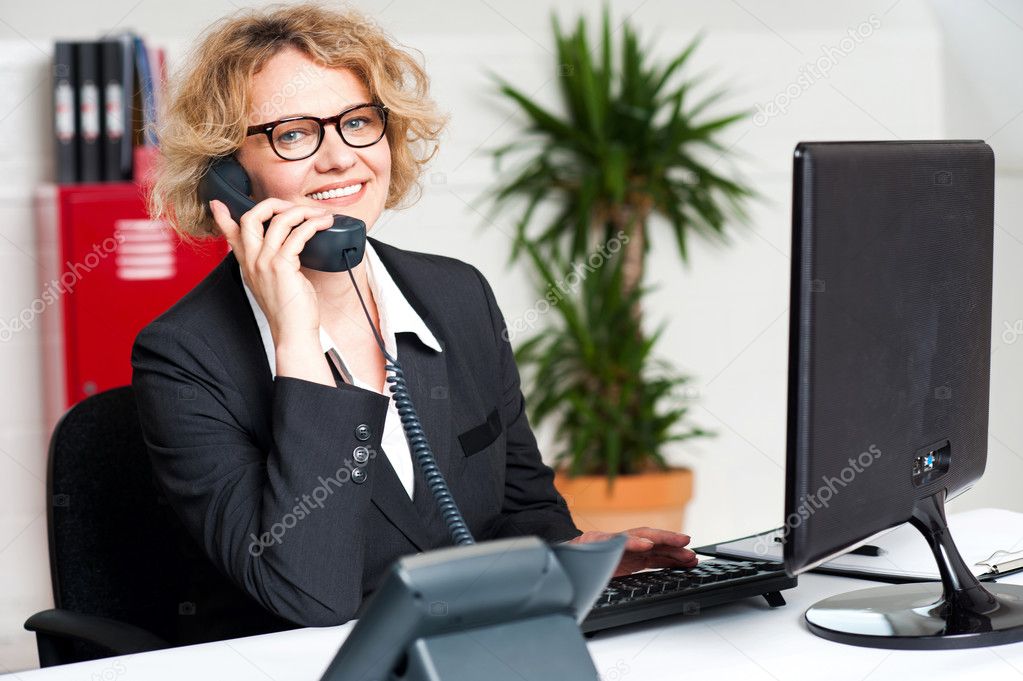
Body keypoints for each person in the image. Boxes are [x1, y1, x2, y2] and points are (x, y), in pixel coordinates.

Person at [132, 2, 697, 629]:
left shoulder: (455, 296)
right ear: (227, 175)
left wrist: (571, 563)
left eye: (357, 121)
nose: (340, 157)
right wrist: (298, 339)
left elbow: (527, 513)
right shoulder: (183, 356)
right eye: (293, 133)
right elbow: (310, 597)